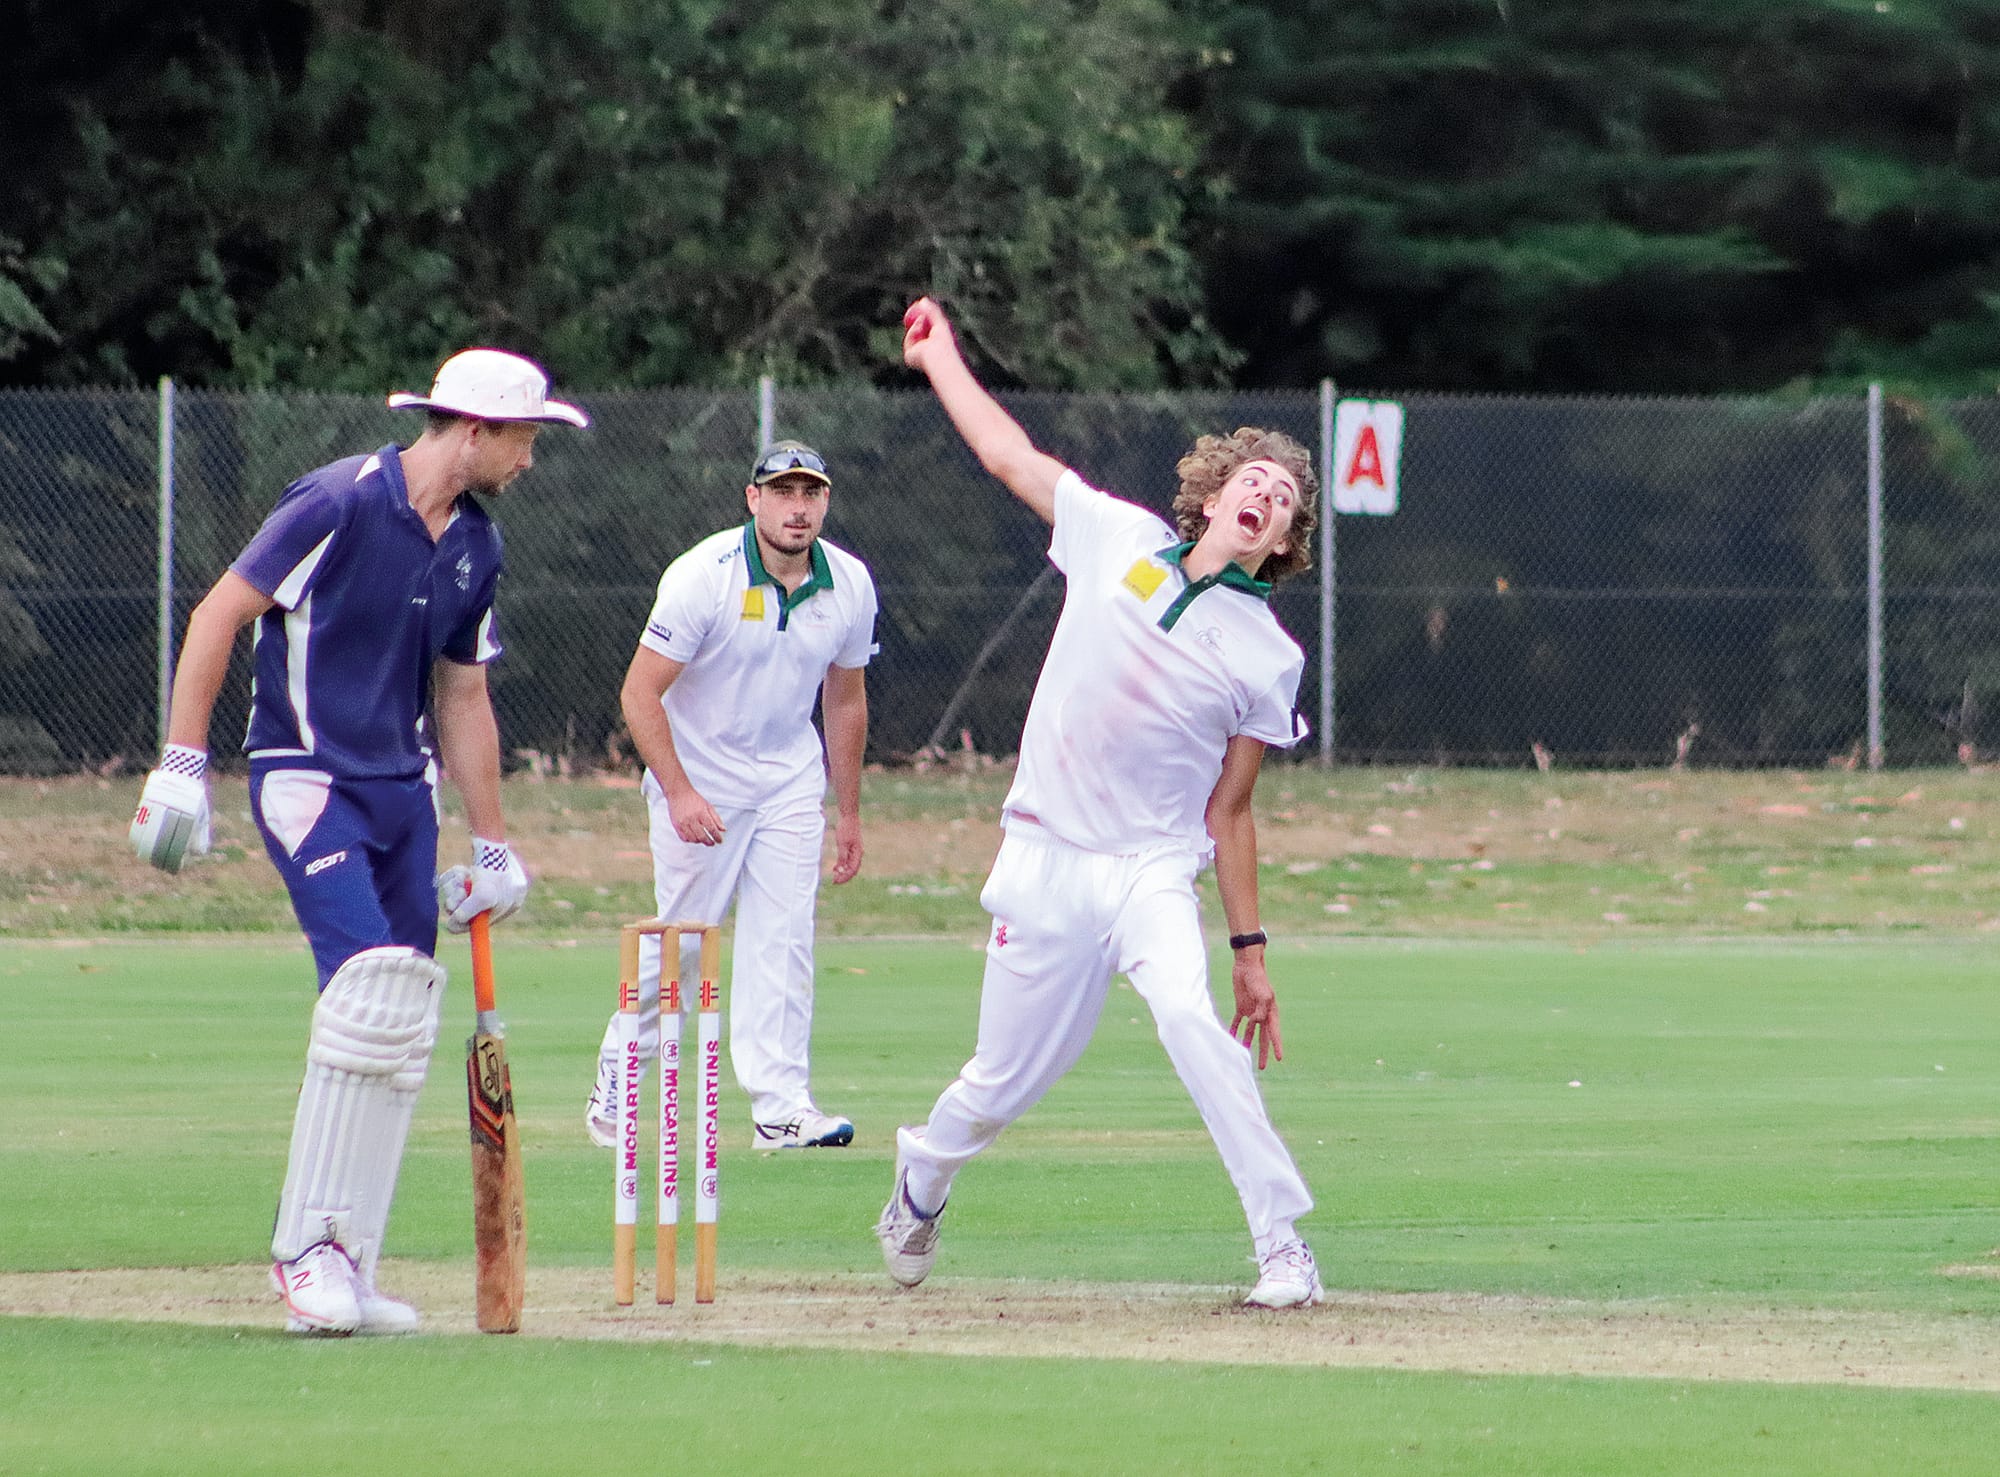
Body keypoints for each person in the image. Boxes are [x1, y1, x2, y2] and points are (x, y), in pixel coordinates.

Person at [127, 348, 589, 1335]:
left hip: (401, 793)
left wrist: (493, 845)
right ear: (471, 430)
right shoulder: (335, 502)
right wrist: (180, 760)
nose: (530, 458)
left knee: (402, 1023)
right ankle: (307, 1257)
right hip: (306, 778)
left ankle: (350, 1259)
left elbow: (462, 693)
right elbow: (219, 613)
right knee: (368, 989)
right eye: (522, 437)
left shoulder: (475, 544)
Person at [876, 297, 1324, 1309]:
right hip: (1043, 858)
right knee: (999, 1083)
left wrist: (1249, 953)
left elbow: (1233, 811)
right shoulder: (1111, 534)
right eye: (1251, 479)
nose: (1265, 494)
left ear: (1283, 539)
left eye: (1284, 498)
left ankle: (1281, 1244)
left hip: (1147, 870)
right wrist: (940, 358)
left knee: (1186, 1017)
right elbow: (1005, 455)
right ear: (1211, 494)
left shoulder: (1268, 656)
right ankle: (922, 1175)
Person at [583, 439, 877, 1151]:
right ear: (754, 500)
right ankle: (620, 1077)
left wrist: (849, 812)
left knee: (784, 939)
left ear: (826, 502)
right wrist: (680, 792)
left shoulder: (850, 583)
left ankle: (781, 1106)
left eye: (810, 494)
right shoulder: (702, 576)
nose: (797, 508)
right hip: (699, 771)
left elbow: (845, 701)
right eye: (783, 492)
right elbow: (639, 692)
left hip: (788, 777)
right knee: (683, 941)